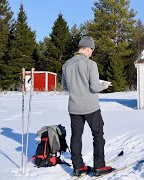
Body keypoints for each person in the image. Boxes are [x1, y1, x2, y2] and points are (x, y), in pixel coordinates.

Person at [61, 36, 114, 177]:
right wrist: (105, 85)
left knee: (76, 137)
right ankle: (99, 167)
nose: (92, 52)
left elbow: (65, 86)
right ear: (85, 48)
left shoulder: (66, 64)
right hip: (91, 107)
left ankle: (78, 168)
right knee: (97, 135)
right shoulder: (91, 64)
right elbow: (95, 87)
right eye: (91, 49)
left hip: (74, 107)